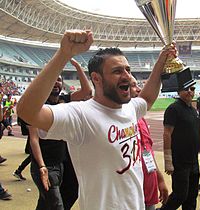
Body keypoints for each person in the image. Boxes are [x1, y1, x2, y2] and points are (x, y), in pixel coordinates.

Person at [16, 29, 174, 210]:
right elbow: (27, 112)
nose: (127, 76)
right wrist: (63, 55)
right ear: (96, 79)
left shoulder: (129, 108)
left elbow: (146, 99)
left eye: (128, 70)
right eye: (117, 71)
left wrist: (161, 61)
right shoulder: (81, 115)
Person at [29, 58, 91, 210]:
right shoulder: (36, 105)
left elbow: (87, 91)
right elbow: (34, 139)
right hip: (46, 165)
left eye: (59, 79)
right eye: (53, 79)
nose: (56, 82)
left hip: (62, 162)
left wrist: (77, 66)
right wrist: (41, 166)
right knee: (56, 205)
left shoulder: (64, 100)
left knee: (50, 201)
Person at [158, 83, 200, 210]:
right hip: (180, 161)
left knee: (192, 195)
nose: (190, 91)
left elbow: (197, 133)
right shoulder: (173, 109)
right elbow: (167, 133)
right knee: (180, 195)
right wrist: (168, 161)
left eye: (193, 89)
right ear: (179, 91)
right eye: (187, 89)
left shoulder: (193, 110)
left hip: (193, 161)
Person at [130, 76, 169, 210]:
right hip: (131, 194)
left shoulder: (141, 119)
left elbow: (147, 152)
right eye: (133, 86)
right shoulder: (117, 123)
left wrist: (159, 179)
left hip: (148, 188)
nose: (139, 89)